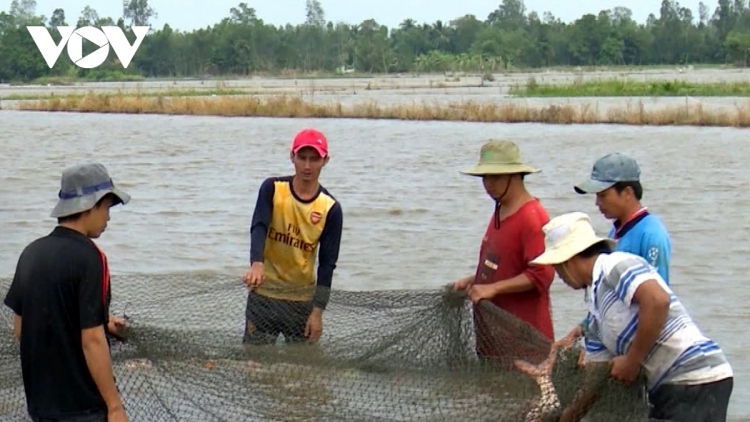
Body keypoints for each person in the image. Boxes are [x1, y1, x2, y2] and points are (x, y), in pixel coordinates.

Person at [530, 212, 733, 422]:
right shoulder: (595, 312)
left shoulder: (614, 265)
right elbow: (595, 376)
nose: (558, 275)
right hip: (666, 387)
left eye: (556, 266)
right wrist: (567, 417)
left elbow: (657, 301)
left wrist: (632, 360)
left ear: (569, 260)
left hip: (694, 375)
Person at [3, 163, 132, 422]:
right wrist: (115, 407)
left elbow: (21, 327)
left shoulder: (31, 253)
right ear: (92, 205)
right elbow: (92, 339)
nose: (108, 217)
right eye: (107, 207)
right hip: (83, 406)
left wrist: (102, 323)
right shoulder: (92, 257)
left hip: (40, 405)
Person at [452, 139, 556, 362]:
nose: (488, 184)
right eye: (485, 177)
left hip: (524, 343)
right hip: (493, 339)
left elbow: (543, 275)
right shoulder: (501, 209)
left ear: (516, 175)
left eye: (496, 177)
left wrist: (494, 289)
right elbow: (504, 263)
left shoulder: (532, 217)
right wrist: (475, 279)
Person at [558, 152, 673, 350]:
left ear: (627, 192)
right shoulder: (615, 231)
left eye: (603, 195)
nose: (597, 203)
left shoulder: (652, 234)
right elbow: (607, 293)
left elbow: (657, 301)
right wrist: (583, 330)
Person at [242, 128, 343, 346]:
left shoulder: (330, 208)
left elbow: (327, 265)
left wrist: (317, 312)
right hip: (264, 296)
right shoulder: (273, 188)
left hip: (301, 302)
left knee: (301, 373)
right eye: (302, 158)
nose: (307, 166)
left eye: (314, 159)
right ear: (292, 157)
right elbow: (259, 225)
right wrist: (256, 263)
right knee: (254, 366)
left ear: (325, 160)